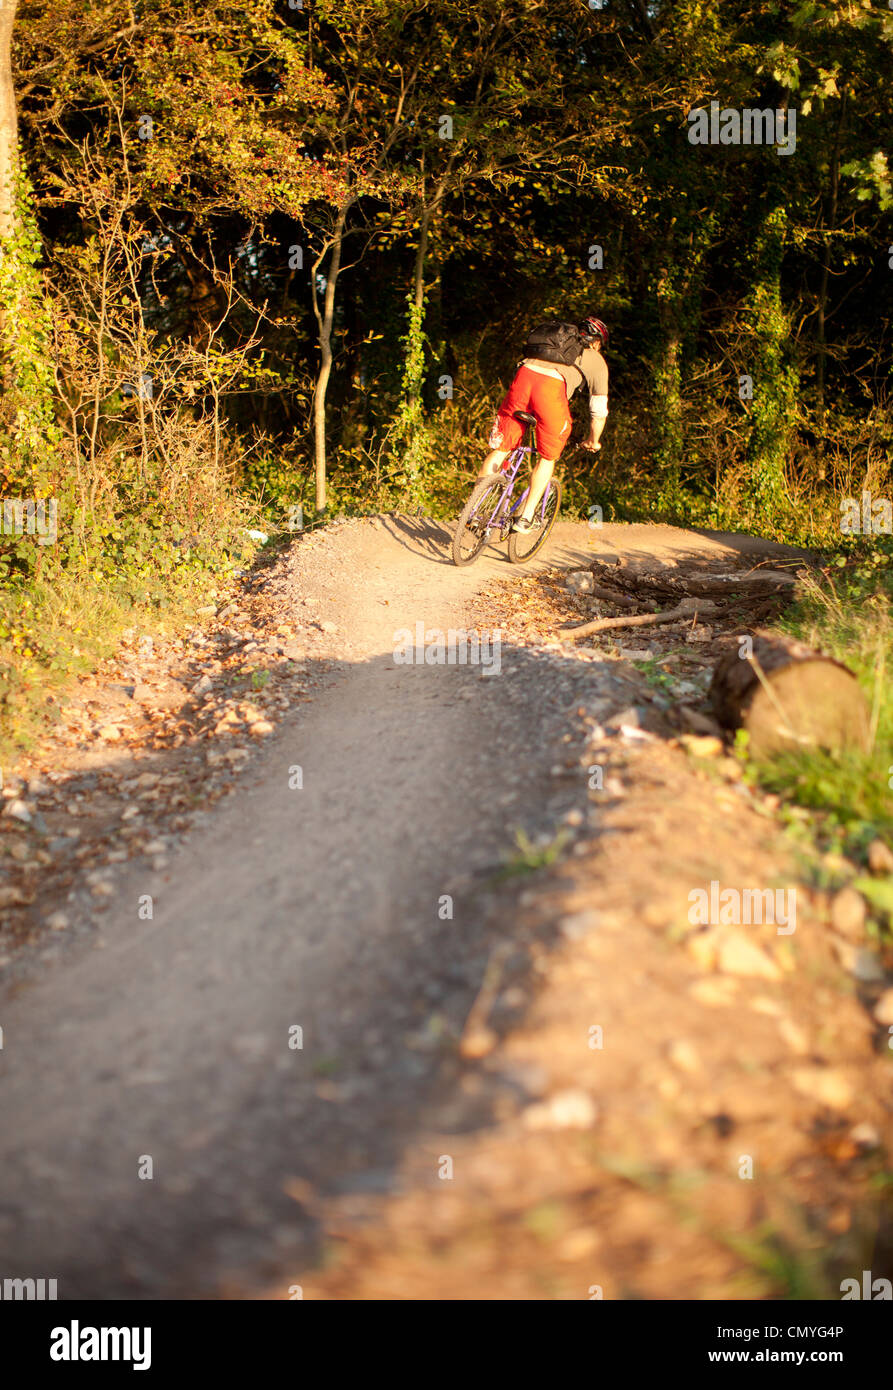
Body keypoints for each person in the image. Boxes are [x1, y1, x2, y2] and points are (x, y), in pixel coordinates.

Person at [480, 316, 610, 532]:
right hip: (550, 390)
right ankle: (525, 518)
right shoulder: (596, 361)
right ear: (597, 342)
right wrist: (593, 441)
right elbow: (598, 410)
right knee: (547, 457)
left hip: (522, 379)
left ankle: (475, 509)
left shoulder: (551, 344)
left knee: (501, 448)